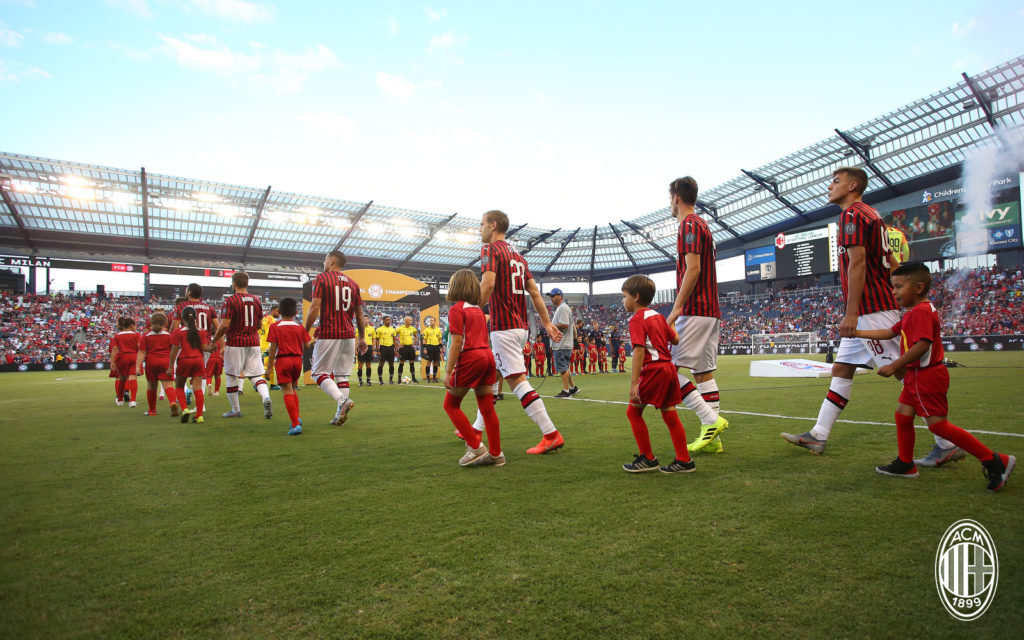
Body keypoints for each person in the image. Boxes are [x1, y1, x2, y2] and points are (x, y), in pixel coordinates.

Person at [781, 167, 959, 462]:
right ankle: (818, 435)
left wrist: (852, 313)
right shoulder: (873, 216)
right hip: (874, 305)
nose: (829, 186)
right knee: (841, 370)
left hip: (871, 309)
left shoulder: (852, 215)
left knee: (904, 374)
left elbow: (859, 262)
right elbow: (890, 262)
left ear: (852, 186)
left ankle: (945, 442)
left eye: (835, 181)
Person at [854, 263, 1015, 491]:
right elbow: (890, 332)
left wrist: (893, 366)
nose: (894, 292)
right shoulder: (915, 311)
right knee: (902, 415)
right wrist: (856, 332)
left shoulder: (920, 312)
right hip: (917, 377)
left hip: (925, 376)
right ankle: (905, 464)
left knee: (938, 426)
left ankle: (995, 461)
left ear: (918, 287)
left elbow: (921, 345)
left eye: (899, 287)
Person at [468, 210, 565, 454]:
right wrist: (547, 322)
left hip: (503, 328)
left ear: (493, 225)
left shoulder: (490, 250)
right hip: (520, 327)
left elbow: (487, 284)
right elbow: (534, 292)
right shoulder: (518, 256)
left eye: (481, 225)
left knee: (517, 382)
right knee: (489, 376)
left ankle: (550, 433)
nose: (479, 230)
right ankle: (475, 429)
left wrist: (472, 312)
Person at [664, 176, 730, 454]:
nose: (669, 203)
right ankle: (712, 437)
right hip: (709, 310)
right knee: (703, 372)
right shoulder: (702, 224)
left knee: (665, 370)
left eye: (669, 198)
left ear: (676, 198)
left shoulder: (689, 224)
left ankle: (709, 420)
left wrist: (676, 307)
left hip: (694, 309)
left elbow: (693, 269)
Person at [620, 275, 695, 474]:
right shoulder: (658, 317)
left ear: (635, 297)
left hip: (653, 370)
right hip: (668, 368)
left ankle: (648, 458)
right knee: (669, 413)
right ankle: (684, 460)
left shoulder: (637, 319)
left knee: (633, 412)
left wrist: (634, 383)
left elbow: (638, 351)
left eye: (624, 296)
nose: (623, 300)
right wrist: (670, 323)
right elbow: (676, 339)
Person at [443, 269, 504, 467]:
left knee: (450, 405)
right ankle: (496, 454)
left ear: (455, 286)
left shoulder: (456, 309)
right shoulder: (478, 310)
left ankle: (476, 447)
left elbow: (457, 340)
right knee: (487, 408)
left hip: (471, 358)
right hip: (487, 356)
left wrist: (448, 370)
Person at [303, 250, 367, 426]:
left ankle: (341, 400)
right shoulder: (354, 284)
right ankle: (339, 415)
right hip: (348, 335)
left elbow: (315, 308)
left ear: (331, 261)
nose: (324, 263)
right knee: (342, 375)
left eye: (325, 260)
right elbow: (359, 314)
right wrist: (362, 337)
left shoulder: (322, 279)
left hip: (329, 332)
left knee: (318, 373)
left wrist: (304, 331)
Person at [210, 271, 274, 419]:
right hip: (253, 342)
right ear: (247, 283)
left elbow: (224, 325)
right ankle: (265, 397)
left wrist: (214, 341)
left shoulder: (230, 300)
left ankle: (235, 410)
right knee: (256, 375)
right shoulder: (256, 300)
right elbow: (258, 324)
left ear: (234, 284)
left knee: (232, 376)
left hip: (235, 343)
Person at [268, 297, 314, 435]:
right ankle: (297, 418)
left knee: (287, 391)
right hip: (297, 361)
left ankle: (295, 424)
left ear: (280, 311)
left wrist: (269, 367)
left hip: (283, 360)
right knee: (293, 389)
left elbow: (272, 348)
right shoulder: (299, 327)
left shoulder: (275, 327)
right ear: (295, 311)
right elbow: (307, 346)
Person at [171, 283, 220, 397]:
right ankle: (200, 404)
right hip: (205, 344)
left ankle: (186, 393)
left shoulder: (181, 307)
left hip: (186, 345)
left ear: (189, 293)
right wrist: (219, 344)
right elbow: (218, 328)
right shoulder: (210, 308)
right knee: (201, 374)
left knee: (181, 375)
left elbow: (175, 328)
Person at [169, 306, 213, 424]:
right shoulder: (202, 332)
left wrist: (170, 366)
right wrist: (211, 348)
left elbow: (174, 349)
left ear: (182, 319)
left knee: (179, 386)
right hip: (198, 360)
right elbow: (205, 348)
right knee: (197, 388)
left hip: (184, 360)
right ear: (195, 318)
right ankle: (199, 416)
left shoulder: (177, 332)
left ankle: (185, 409)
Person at [136, 312, 179, 416]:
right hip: (165, 362)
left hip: (151, 362)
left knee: (151, 386)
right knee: (168, 384)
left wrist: (138, 366)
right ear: (165, 323)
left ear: (151, 323)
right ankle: (173, 402)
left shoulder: (146, 336)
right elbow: (174, 350)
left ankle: (152, 411)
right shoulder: (169, 335)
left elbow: (142, 352)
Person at [549, 288, 578, 398]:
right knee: (565, 367)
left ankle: (566, 392)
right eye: (550, 296)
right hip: (563, 343)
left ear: (559, 296)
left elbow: (565, 324)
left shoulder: (562, 308)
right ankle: (573, 388)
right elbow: (571, 326)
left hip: (561, 343)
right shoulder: (562, 308)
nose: (551, 298)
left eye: (553, 296)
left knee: (563, 369)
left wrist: (550, 326)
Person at [110, 317, 140, 408]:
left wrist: (112, 362)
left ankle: (120, 399)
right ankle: (133, 401)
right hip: (134, 357)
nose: (136, 327)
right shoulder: (137, 334)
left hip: (122, 357)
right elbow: (140, 347)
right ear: (131, 325)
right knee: (133, 378)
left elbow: (115, 349)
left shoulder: (118, 335)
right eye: (135, 325)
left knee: (122, 379)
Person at [260, 302, 282, 391]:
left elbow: (259, 331)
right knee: (267, 365)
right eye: (278, 311)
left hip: (262, 343)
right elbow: (271, 333)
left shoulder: (264, 319)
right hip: (268, 345)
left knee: (271, 364)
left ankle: (272, 384)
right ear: (273, 310)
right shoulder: (271, 320)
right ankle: (259, 383)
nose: (279, 313)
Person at [396, 316, 419, 383]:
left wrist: (413, 343)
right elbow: (394, 336)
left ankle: (414, 378)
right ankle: (399, 379)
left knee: (412, 363)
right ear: (406, 321)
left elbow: (415, 336)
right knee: (401, 363)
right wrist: (398, 344)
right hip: (403, 348)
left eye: (411, 320)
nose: (411, 321)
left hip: (410, 348)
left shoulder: (413, 329)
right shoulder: (399, 329)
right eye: (410, 320)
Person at [375, 316, 398, 384]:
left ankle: (391, 379)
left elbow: (394, 340)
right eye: (387, 320)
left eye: (389, 320)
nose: (388, 321)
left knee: (391, 364)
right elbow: (377, 340)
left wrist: (396, 349)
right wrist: (378, 350)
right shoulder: (379, 329)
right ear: (383, 321)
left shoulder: (393, 330)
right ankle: (380, 380)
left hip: (391, 348)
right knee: (381, 363)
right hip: (383, 348)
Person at [422, 315, 443, 382]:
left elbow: (440, 339)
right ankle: (428, 378)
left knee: (436, 362)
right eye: (430, 321)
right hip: (429, 347)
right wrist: (425, 348)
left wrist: (441, 347)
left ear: (435, 321)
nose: (430, 322)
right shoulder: (426, 330)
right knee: (428, 362)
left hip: (436, 347)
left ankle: (434, 378)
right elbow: (424, 340)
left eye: (432, 320)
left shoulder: (438, 330)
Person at [356, 316, 375, 386]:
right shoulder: (359, 328)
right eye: (364, 319)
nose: (365, 320)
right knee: (360, 365)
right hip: (361, 347)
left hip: (369, 347)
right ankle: (360, 381)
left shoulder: (372, 329)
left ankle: (368, 381)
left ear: (369, 320)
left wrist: (373, 349)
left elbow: (373, 339)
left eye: (366, 319)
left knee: (368, 365)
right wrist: (355, 349)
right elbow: (356, 339)